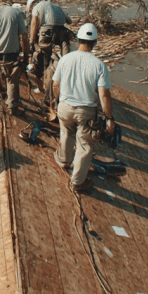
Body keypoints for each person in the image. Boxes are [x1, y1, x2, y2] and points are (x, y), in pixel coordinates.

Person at [52, 23, 114, 194]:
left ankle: (64, 160)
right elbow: (104, 95)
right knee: (84, 145)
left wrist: (57, 103)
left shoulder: (65, 59)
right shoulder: (99, 65)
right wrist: (109, 118)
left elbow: (55, 85)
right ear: (94, 42)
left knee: (66, 132)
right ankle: (78, 182)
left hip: (65, 107)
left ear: (78, 39)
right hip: (85, 111)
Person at [26, 0, 73, 106]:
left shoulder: (36, 7)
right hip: (62, 32)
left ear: (32, 5)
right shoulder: (56, 6)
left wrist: (31, 42)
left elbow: (34, 25)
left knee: (45, 61)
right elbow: (69, 21)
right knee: (66, 60)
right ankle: (67, 80)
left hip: (47, 33)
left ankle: (48, 94)